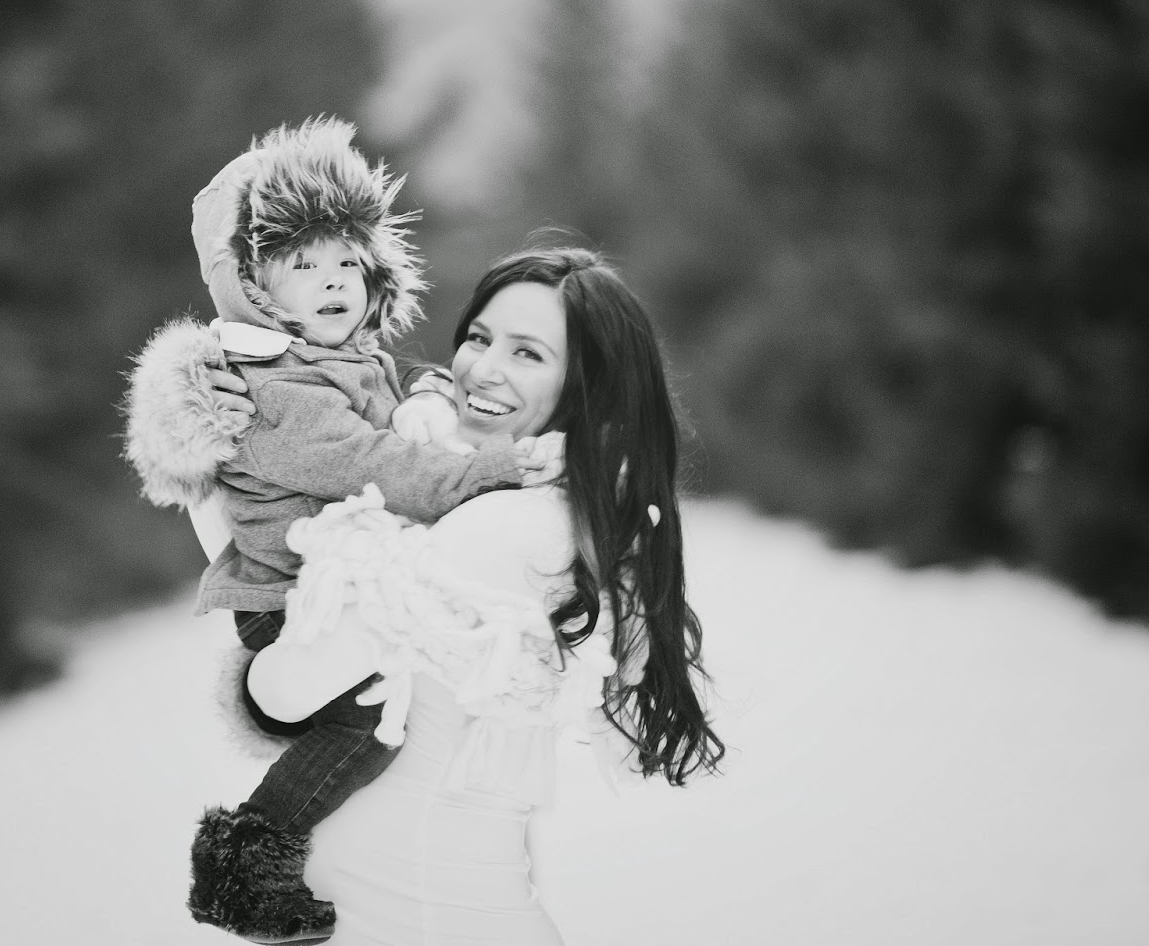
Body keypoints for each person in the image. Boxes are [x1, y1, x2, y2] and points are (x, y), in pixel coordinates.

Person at [168, 247, 726, 944]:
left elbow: (283, 695)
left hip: (414, 917)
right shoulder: (527, 502)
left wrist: (242, 450)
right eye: (479, 338)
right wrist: (224, 435)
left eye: (528, 354)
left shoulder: (501, 527)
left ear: (588, 387)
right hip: (418, 910)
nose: (482, 369)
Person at [123, 118, 556, 942]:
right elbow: (370, 462)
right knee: (368, 725)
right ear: (253, 285)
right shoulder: (272, 389)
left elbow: (397, 395)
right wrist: (484, 471)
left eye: (348, 262)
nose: (334, 282)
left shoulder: (342, 357)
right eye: (303, 265)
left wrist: (428, 393)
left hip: (339, 580)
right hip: (286, 598)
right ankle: (245, 861)